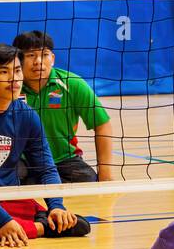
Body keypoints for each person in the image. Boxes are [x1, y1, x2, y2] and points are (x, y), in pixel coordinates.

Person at [0, 43, 91, 246]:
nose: (14, 78)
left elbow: (46, 167)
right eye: (4, 72)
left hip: (10, 197)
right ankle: (42, 228)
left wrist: (57, 206)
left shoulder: (27, 115)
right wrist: (3, 221)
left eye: (17, 70)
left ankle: (37, 224)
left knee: (53, 214)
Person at [12, 30, 116, 183]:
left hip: (64, 159)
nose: (38, 61)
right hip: (23, 160)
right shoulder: (10, 87)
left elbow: (102, 125)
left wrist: (105, 172)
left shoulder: (72, 84)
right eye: (30, 55)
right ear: (18, 60)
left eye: (45, 54)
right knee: (7, 180)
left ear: (52, 59)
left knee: (88, 180)